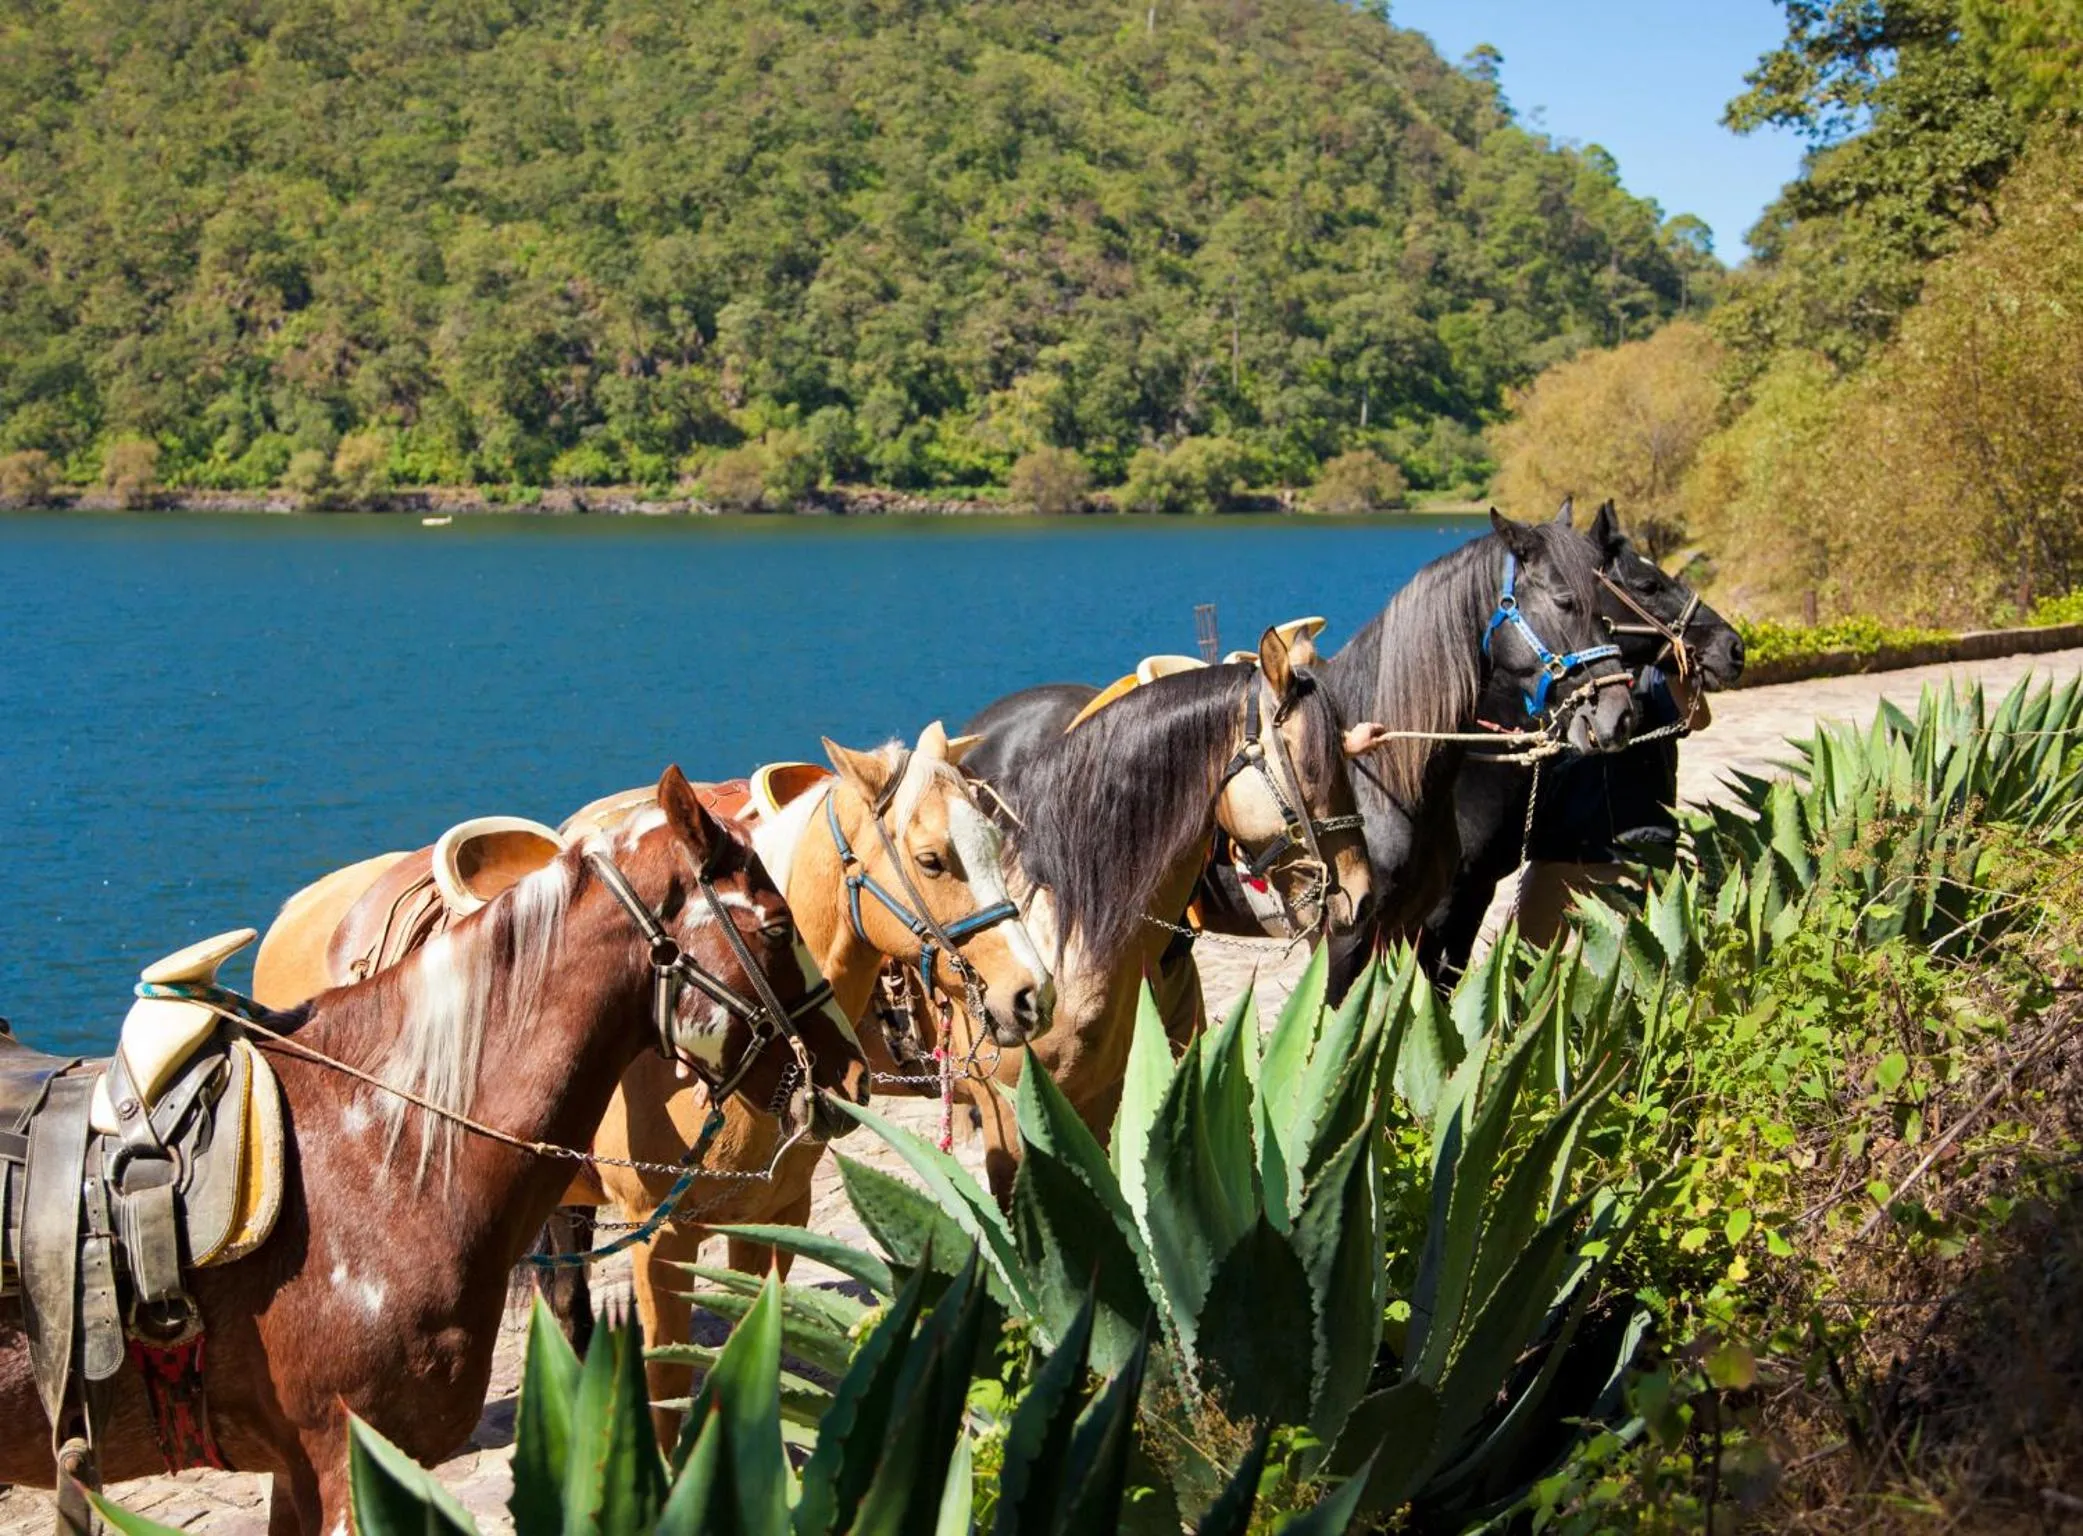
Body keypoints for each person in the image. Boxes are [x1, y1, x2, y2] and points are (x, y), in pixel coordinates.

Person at [1514, 663, 1701, 945]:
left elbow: (1697, 718)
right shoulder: (1558, 665)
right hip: (1560, 848)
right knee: (1525, 958)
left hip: (1635, 852)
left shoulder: (1651, 670)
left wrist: (1677, 666)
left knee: (1639, 962)